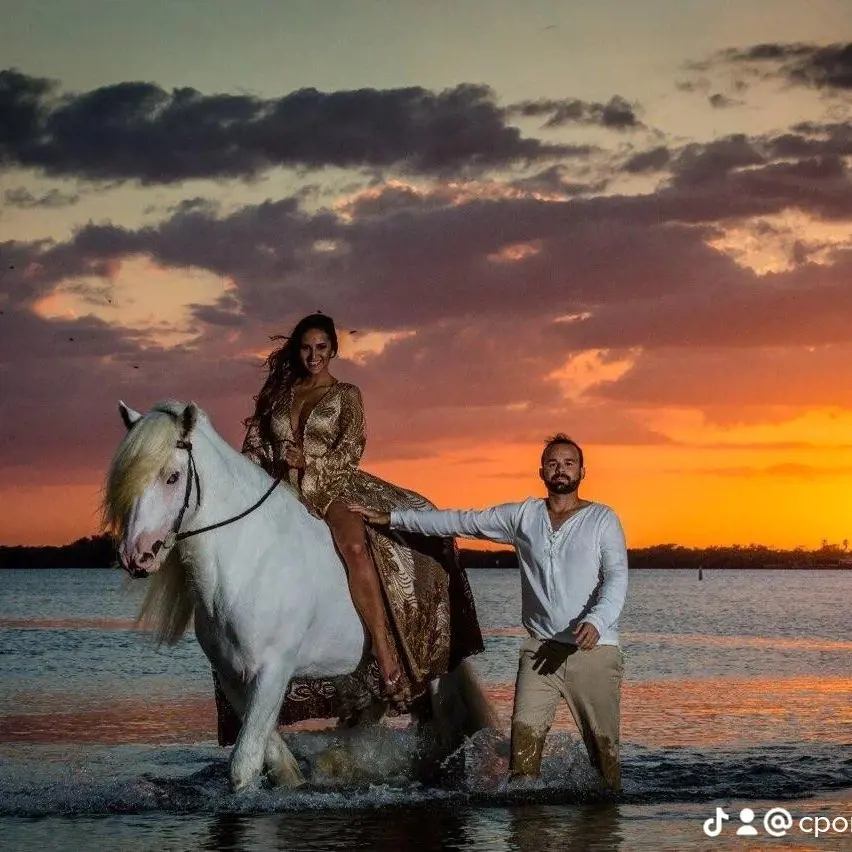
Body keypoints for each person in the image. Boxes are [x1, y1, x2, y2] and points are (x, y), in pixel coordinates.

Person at [238, 313, 484, 720]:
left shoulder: (346, 394)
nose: (314, 355)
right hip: (283, 491)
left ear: (333, 350)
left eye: (321, 347)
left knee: (353, 546)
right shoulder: (279, 395)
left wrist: (309, 462)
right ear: (297, 351)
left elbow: (351, 449)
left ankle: (386, 655)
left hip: (331, 487)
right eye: (306, 347)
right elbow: (254, 447)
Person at [351, 434, 628, 792]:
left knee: (605, 766)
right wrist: (393, 518)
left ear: (583, 471)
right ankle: (527, 832)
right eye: (553, 463)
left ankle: (603, 831)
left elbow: (617, 577)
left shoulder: (602, 519)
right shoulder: (523, 516)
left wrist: (596, 619)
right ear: (541, 470)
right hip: (539, 653)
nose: (561, 469)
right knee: (522, 767)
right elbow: (461, 521)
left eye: (569, 463)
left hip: (594, 652)